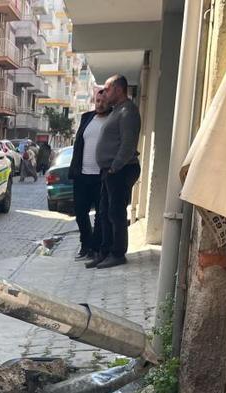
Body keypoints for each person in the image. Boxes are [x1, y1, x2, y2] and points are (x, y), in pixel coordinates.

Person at [87, 74, 142, 269]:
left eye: (108, 89)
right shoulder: (117, 110)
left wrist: (115, 166)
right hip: (110, 171)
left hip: (120, 170)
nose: (104, 93)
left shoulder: (128, 111)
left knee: (116, 213)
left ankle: (118, 253)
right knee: (104, 212)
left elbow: (128, 144)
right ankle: (105, 251)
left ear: (118, 90)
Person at [69, 89, 112, 261]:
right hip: (82, 174)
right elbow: (78, 144)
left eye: (103, 101)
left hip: (101, 175)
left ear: (109, 102)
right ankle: (85, 244)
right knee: (80, 212)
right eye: (97, 101)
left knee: (100, 215)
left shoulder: (112, 120)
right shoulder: (87, 118)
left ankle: (95, 248)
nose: (99, 104)